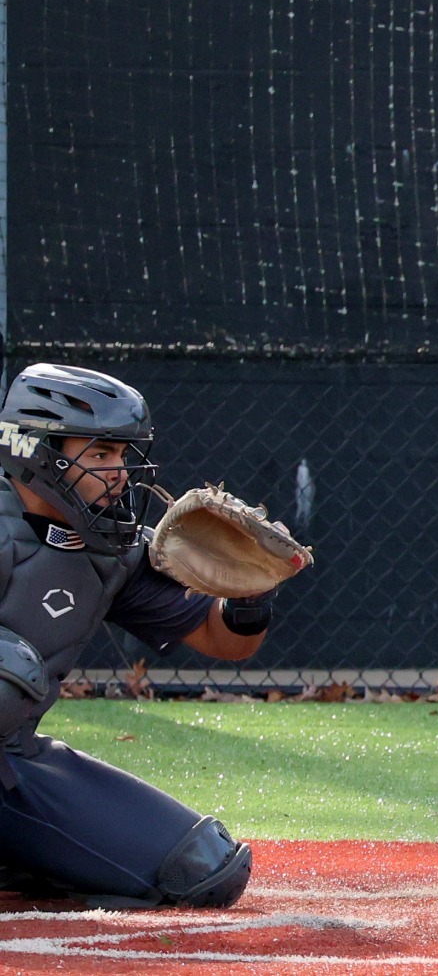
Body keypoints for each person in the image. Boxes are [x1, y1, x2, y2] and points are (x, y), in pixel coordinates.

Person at [0, 364, 271, 907]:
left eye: (123, 455)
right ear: (37, 451)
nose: (120, 472)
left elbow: (225, 641)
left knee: (203, 870)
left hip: (12, 763)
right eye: (100, 454)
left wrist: (249, 596)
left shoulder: (112, 550)